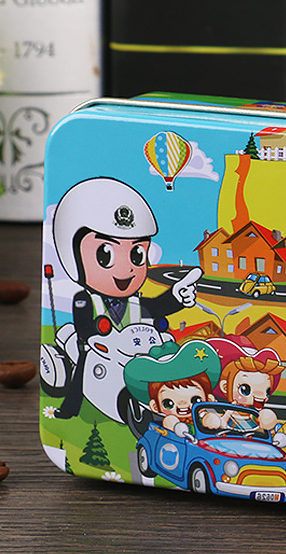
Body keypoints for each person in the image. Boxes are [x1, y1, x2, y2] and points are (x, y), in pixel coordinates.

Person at [51, 178, 203, 419]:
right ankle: (70, 408)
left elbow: (155, 307)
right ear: (74, 255)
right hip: (97, 348)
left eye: (137, 254)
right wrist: (93, 335)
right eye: (105, 254)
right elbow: (84, 325)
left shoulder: (134, 302)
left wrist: (176, 296)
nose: (126, 269)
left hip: (133, 349)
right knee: (82, 367)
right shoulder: (84, 299)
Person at [123, 340, 221, 433]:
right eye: (168, 403)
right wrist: (173, 425)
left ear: (209, 399)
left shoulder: (204, 418)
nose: (183, 404)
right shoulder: (167, 422)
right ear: (155, 406)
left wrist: (214, 421)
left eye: (196, 400)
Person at [207, 335, 285, 439]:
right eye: (245, 389)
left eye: (267, 391)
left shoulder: (255, 417)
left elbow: (266, 429)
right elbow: (219, 425)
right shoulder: (225, 414)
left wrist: (268, 421)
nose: (261, 396)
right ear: (225, 387)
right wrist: (228, 413)